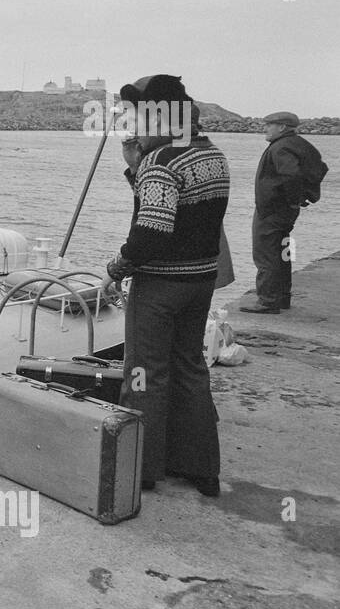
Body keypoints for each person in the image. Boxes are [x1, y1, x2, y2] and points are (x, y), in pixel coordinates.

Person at [106, 74, 230, 497]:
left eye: (139, 116)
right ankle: (201, 469)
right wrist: (134, 166)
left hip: (161, 285)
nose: (133, 124)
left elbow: (152, 233)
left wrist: (116, 268)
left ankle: (140, 469)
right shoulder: (210, 154)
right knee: (190, 368)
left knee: (143, 373)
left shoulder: (162, 163)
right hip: (201, 280)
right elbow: (182, 214)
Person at [242, 111, 328, 314]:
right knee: (283, 251)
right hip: (284, 211)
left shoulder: (280, 147)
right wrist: (303, 197)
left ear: (281, 127)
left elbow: (291, 175)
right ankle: (282, 297)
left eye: (269, 125)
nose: (265, 128)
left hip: (272, 210)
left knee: (265, 253)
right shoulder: (299, 143)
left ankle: (268, 301)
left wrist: (292, 201)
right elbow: (320, 168)